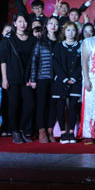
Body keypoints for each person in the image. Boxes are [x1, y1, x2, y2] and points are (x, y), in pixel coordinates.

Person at [0, 13, 36, 144]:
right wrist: (4, 79)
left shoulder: (32, 39)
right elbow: (3, 60)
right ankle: (15, 131)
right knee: (14, 105)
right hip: (12, 77)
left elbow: (34, 60)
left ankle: (21, 129)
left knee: (30, 105)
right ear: (15, 23)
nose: (22, 24)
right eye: (20, 21)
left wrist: (32, 77)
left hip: (27, 78)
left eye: (25, 21)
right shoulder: (8, 40)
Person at [30, 16, 60, 143]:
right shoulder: (40, 41)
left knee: (53, 105)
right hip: (42, 77)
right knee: (42, 104)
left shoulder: (60, 42)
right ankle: (41, 131)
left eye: (56, 24)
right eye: (51, 23)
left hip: (56, 79)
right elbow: (34, 60)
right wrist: (33, 79)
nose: (53, 26)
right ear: (46, 26)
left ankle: (50, 130)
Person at [52, 22, 82, 144]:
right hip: (61, 80)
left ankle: (71, 133)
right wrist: (64, 78)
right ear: (64, 32)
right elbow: (55, 63)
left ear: (76, 32)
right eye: (68, 30)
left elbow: (82, 63)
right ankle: (63, 132)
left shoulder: (80, 46)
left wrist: (74, 78)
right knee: (60, 106)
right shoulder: (58, 46)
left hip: (76, 81)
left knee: (73, 106)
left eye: (73, 30)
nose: (70, 33)